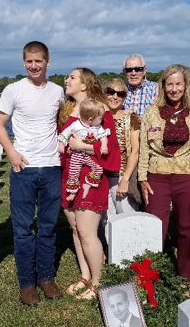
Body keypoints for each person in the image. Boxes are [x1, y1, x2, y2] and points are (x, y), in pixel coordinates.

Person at [0, 41, 65, 306]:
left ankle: (46, 278)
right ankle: (27, 283)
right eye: (29, 61)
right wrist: (11, 152)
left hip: (51, 166)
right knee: (23, 229)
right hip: (22, 167)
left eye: (39, 61)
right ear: (24, 62)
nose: (34, 66)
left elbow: (63, 122)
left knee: (47, 227)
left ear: (48, 62)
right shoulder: (13, 90)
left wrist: (62, 140)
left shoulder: (58, 92)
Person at [59, 68, 121, 300]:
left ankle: (97, 283)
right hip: (69, 176)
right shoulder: (67, 111)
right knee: (76, 229)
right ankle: (84, 276)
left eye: (72, 77)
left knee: (87, 231)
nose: (67, 80)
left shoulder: (99, 111)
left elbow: (113, 152)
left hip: (91, 180)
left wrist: (83, 147)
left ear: (84, 84)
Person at [138, 64, 190, 282]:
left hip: (187, 176)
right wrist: (142, 177)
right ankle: (149, 276)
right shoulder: (151, 113)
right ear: (163, 87)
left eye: (179, 84)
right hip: (157, 176)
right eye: (170, 84)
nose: (174, 89)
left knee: (187, 228)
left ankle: (186, 275)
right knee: (155, 228)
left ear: (186, 86)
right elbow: (144, 147)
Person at [100, 78, 141, 242]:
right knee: (106, 216)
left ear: (125, 97)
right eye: (111, 92)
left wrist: (125, 179)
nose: (114, 97)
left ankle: (131, 253)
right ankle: (111, 252)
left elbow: (135, 150)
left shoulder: (131, 118)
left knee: (126, 215)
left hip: (121, 175)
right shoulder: (98, 117)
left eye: (120, 94)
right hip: (102, 176)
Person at [58, 98, 110, 201]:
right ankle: (73, 192)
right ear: (90, 119)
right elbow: (64, 133)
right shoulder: (76, 125)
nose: (102, 120)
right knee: (73, 173)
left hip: (90, 155)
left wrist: (104, 145)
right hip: (77, 155)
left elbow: (103, 136)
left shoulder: (98, 127)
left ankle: (88, 184)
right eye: (100, 118)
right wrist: (61, 144)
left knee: (98, 169)